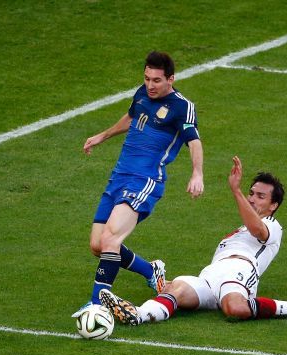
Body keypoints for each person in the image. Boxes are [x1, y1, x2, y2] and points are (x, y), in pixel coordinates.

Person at [99, 155, 287, 325]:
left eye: (260, 196)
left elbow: (257, 229)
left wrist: (236, 191)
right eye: (251, 193)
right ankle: (137, 314)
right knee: (177, 290)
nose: (252, 199)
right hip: (210, 276)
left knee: (235, 309)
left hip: (239, 274)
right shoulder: (236, 232)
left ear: (273, 205)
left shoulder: (273, 227)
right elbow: (248, 223)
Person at [73, 51, 204, 318]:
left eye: (156, 80)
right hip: (119, 176)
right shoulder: (142, 94)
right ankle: (150, 270)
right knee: (98, 245)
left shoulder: (182, 106)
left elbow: (194, 141)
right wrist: (103, 135)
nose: (150, 85)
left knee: (111, 238)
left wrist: (197, 173)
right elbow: (132, 117)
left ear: (171, 79)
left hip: (145, 180)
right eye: (146, 79)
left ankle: (97, 305)